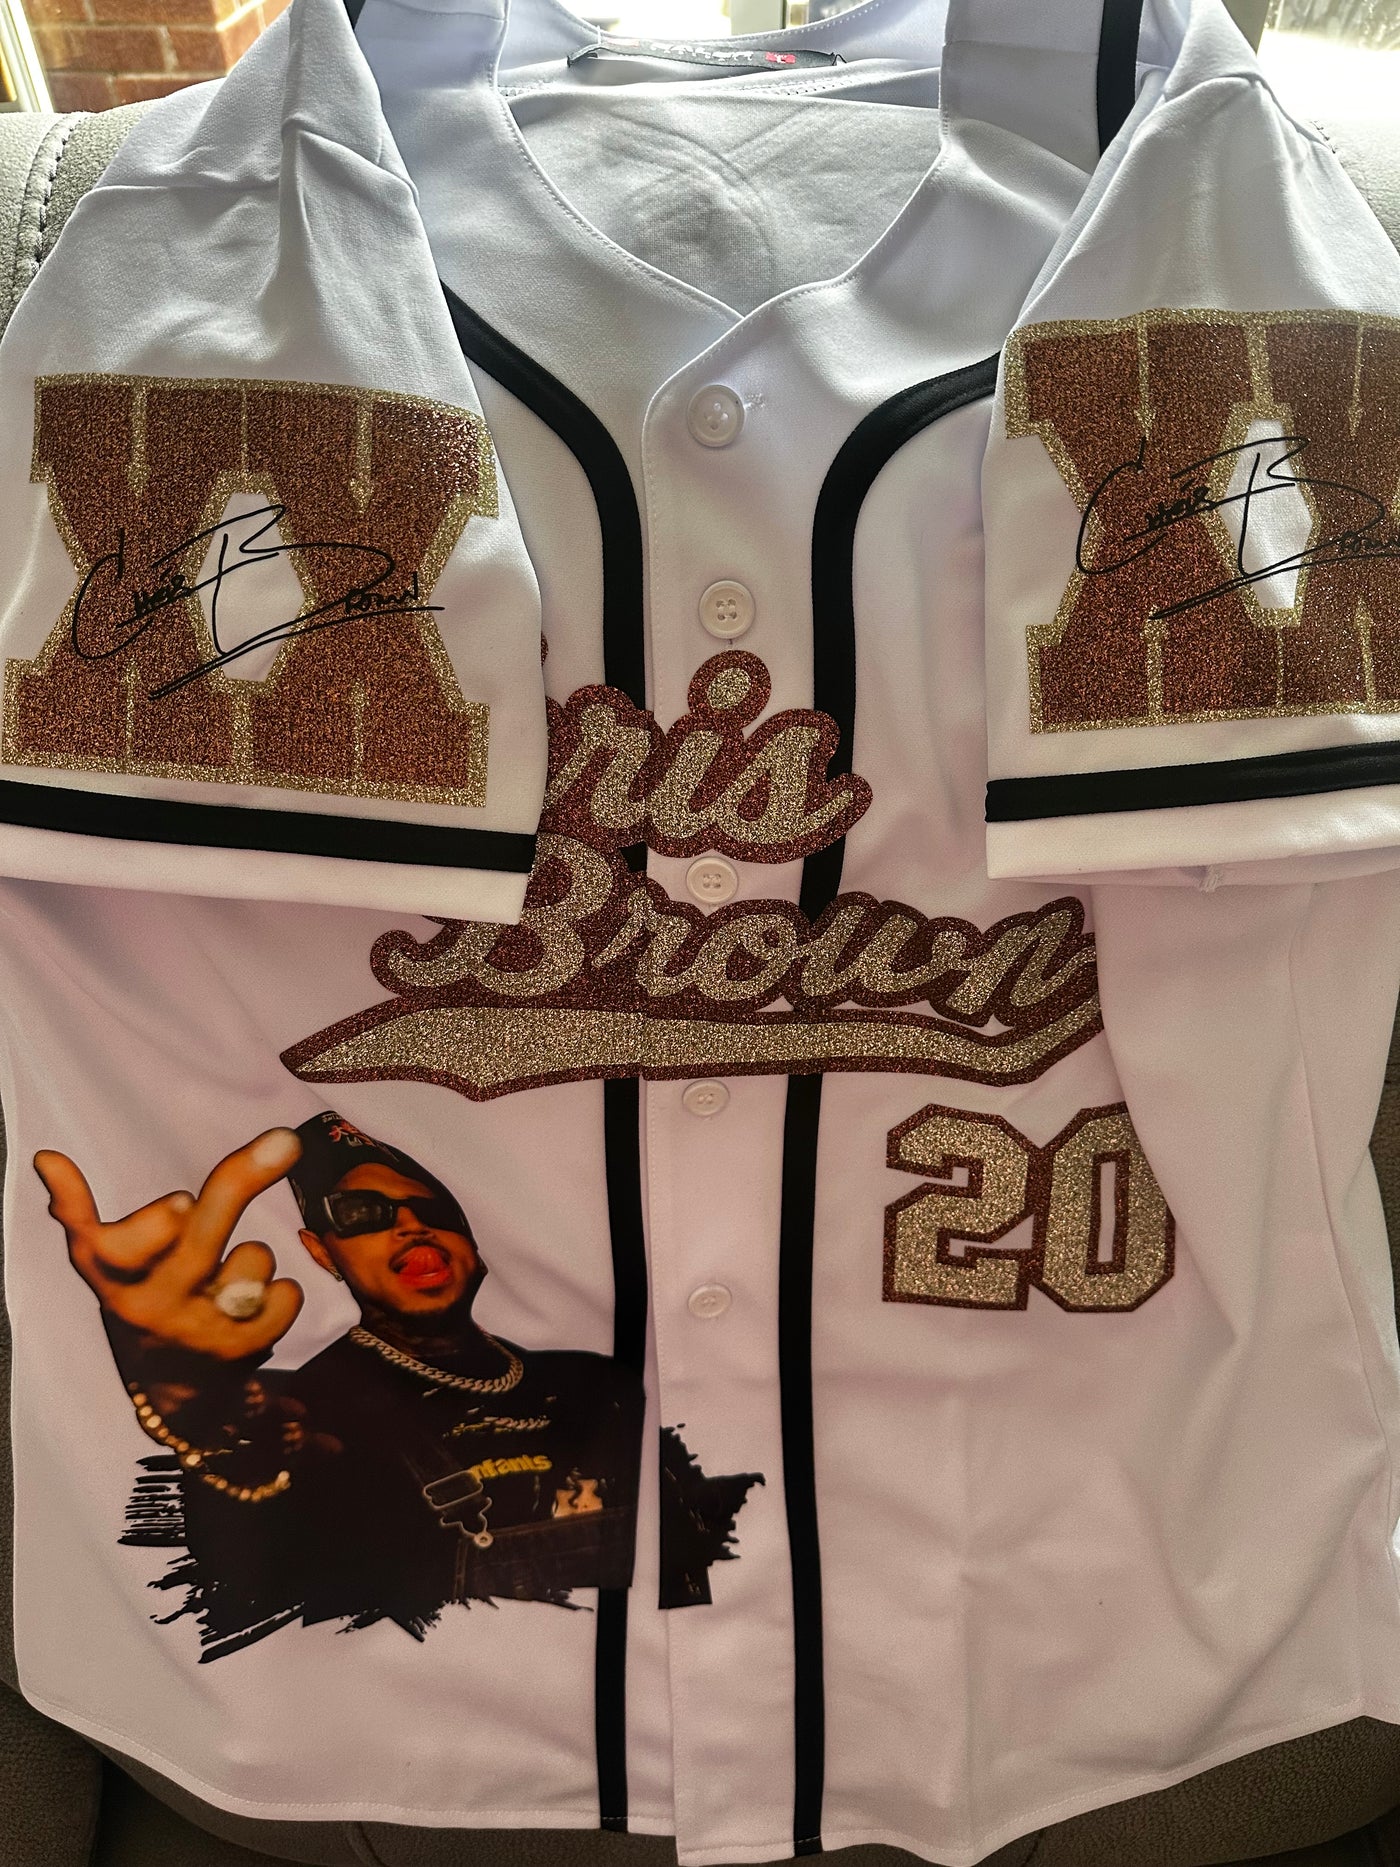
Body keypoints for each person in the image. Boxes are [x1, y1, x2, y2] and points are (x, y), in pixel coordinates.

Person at [34, 1111, 645, 1655]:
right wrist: (201, 1416)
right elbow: (254, 1554)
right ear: (322, 1253)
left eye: (435, 1212)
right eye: (363, 1215)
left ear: (474, 1248)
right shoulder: (309, 1407)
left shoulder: (603, 1384)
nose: (412, 1225)